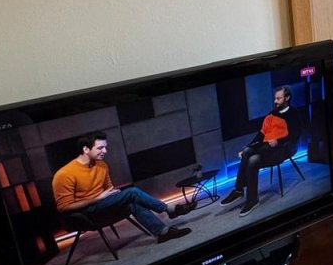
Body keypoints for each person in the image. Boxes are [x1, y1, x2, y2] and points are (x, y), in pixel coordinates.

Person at [53, 132, 195, 244]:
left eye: (105, 147)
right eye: (100, 148)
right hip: (86, 213)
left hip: (103, 204)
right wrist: (97, 199)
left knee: (132, 201)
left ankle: (163, 232)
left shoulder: (101, 165)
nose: (105, 151)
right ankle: (169, 209)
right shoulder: (65, 174)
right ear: (85, 149)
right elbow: (63, 207)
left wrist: (112, 194)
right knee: (132, 192)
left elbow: (109, 189)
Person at [221, 86, 306, 217]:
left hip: (283, 150)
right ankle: (248, 197)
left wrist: (279, 142)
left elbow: (295, 135)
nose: (275, 101)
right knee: (251, 157)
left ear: (287, 97)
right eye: (275, 98)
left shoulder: (293, 114)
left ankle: (240, 191)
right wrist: (247, 147)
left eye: (278, 98)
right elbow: (261, 135)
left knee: (251, 155)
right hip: (266, 149)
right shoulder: (271, 114)